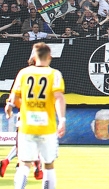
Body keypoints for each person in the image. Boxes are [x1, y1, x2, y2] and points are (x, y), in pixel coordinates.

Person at [4, 43, 65, 189]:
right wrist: (62, 120)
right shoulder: (54, 74)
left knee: (24, 163)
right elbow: (59, 97)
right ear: (50, 57)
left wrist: (10, 107)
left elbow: (14, 96)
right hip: (47, 126)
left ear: (34, 56)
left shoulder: (23, 73)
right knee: (48, 165)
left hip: (27, 125)